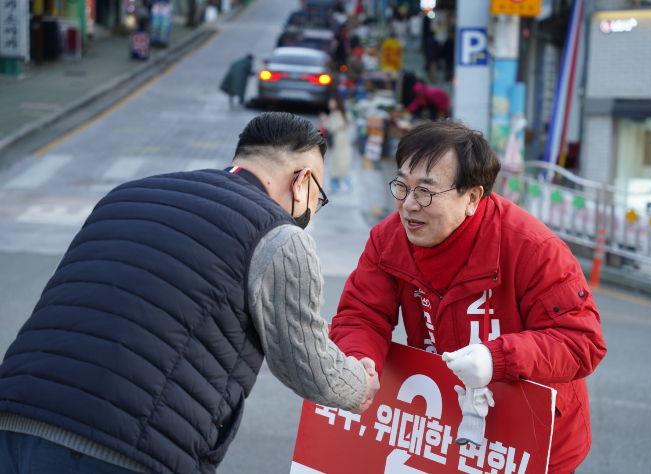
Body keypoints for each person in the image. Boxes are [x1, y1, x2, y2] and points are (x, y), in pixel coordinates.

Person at [0, 112, 379, 474]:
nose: (312, 209)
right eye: (318, 198)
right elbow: (306, 363)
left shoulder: (126, 194)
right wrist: (360, 384)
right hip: (121, 448)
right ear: (302, 182)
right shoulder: (279, 235)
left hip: (13, 419)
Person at [330, 120, 607, 474]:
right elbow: (362, 315)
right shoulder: (388, 239)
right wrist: (360, 359)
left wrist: (498, 358)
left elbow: (581, 341)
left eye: (425, 192)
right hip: (442, 429)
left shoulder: (534, 249)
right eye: (401, 186)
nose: (408, 205)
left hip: (533, 443)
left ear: (472, 197)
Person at [320, 94, 353, 193]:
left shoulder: (337, 113)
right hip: (337, 141)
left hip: (339, 142)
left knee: (338, 163)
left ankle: (347, 181)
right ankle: (336, 185)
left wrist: (325, 121)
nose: (330, 103)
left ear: (336, 102)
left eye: (332, 101)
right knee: (335, 163)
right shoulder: (336, 113)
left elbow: (332, 127)